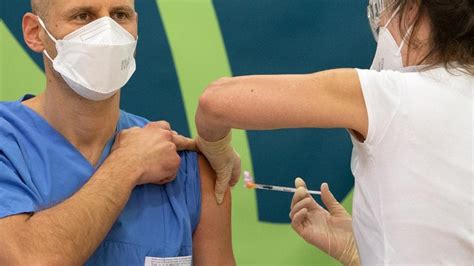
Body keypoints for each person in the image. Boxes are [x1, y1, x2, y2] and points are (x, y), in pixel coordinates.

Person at [195, 0, 473, 264]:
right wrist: (362, 248)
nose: (381, 25)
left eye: (384, 10)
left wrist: (216, 149)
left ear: (412, 9)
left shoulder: (392, 96)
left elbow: (215, 102)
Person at [0, 0, 234, 265]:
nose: (106, 33)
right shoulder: (7, 143)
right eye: (83, 16)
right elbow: (27, 260)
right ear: (35, 32)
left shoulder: (188, 169)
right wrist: (129, 163)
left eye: (120, 15)